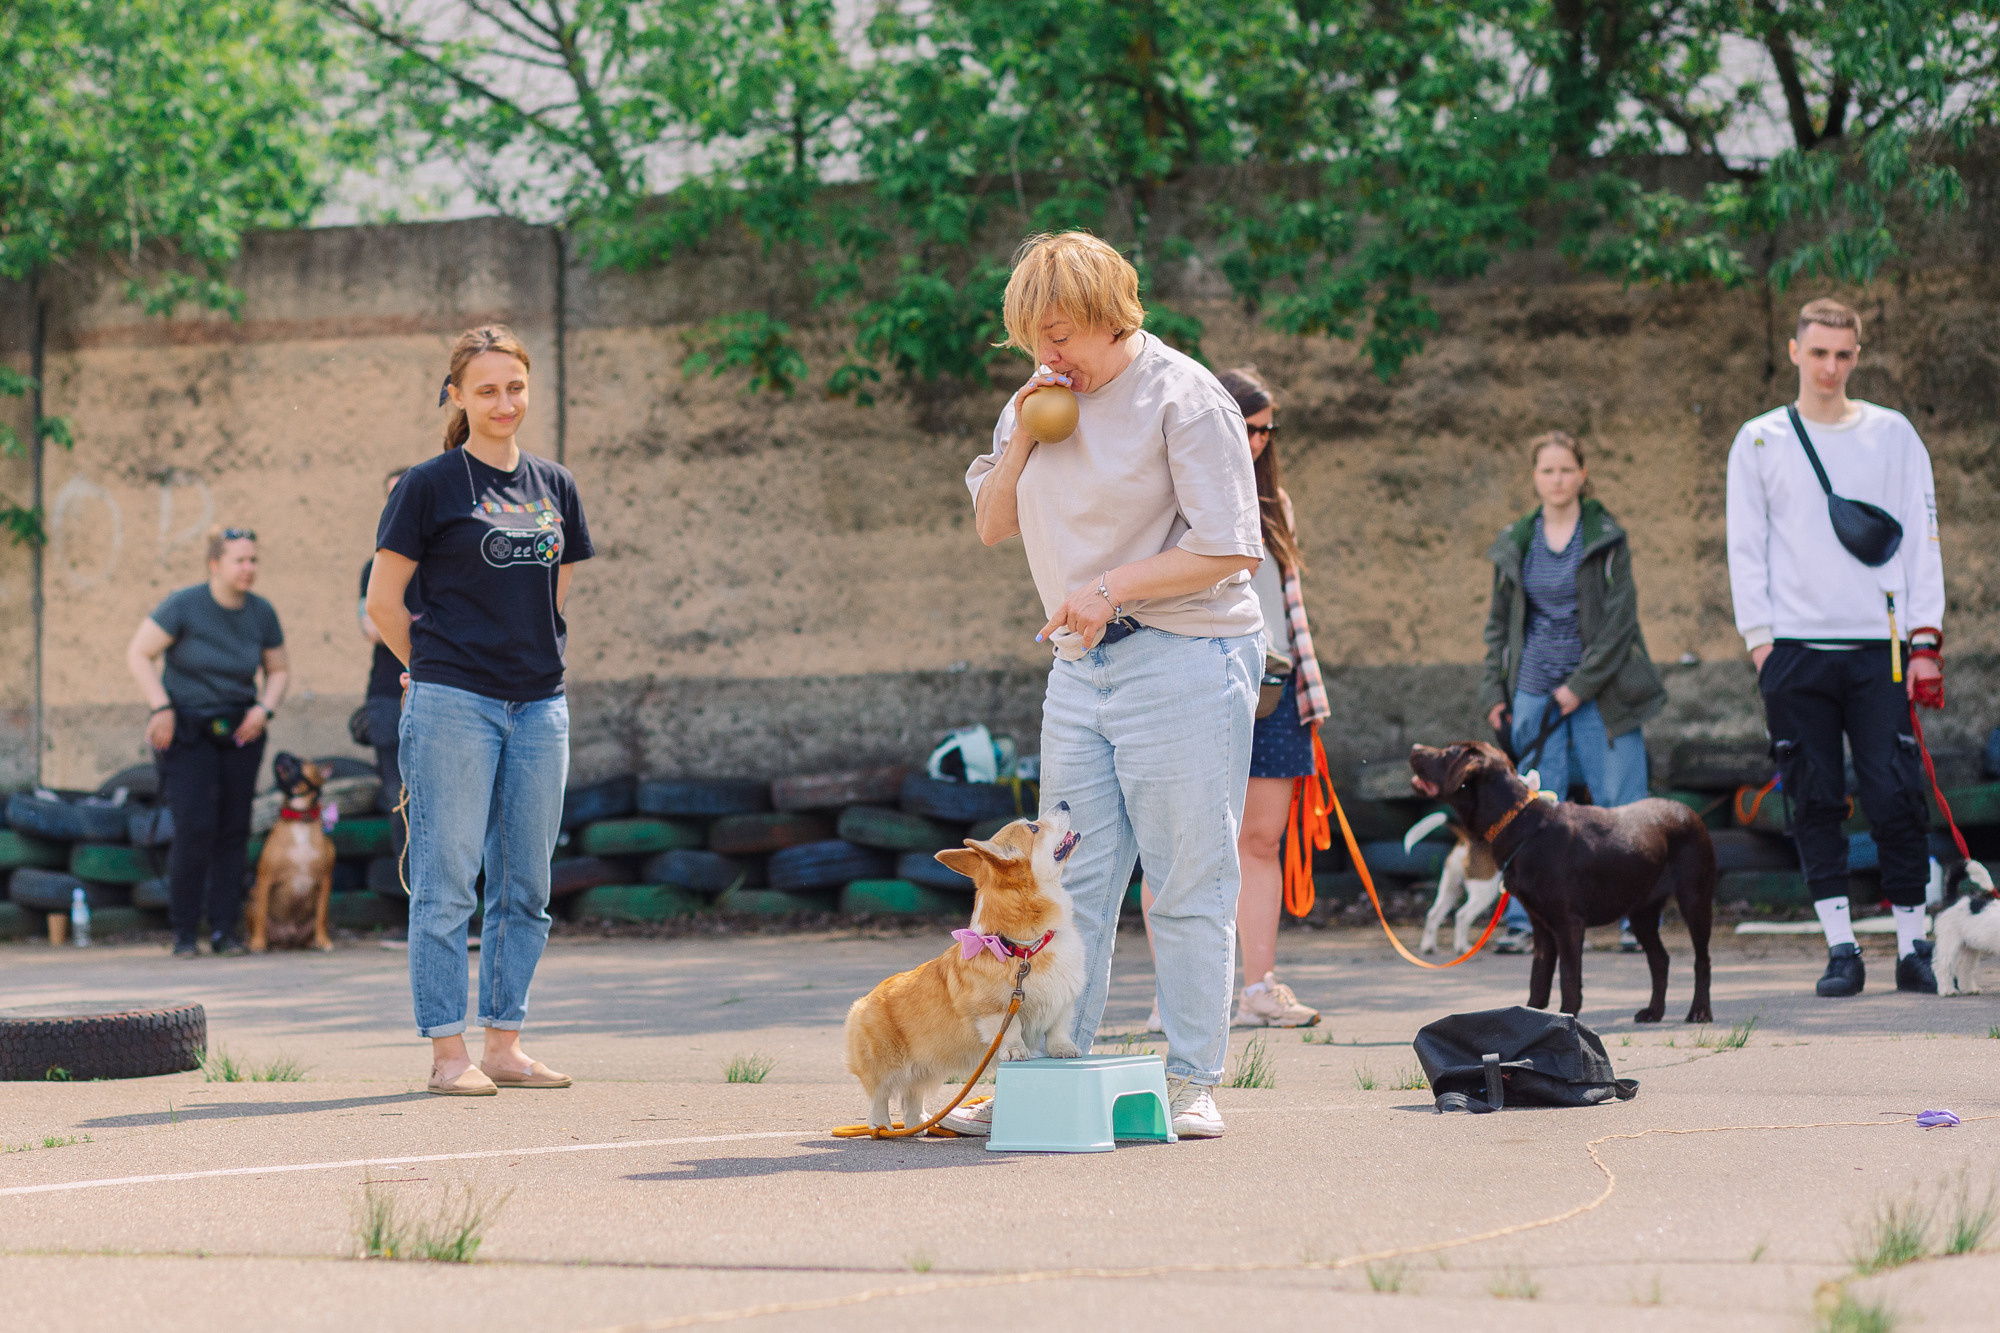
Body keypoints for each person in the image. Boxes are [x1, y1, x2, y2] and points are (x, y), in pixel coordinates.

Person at [954, 232, 1265, 1139]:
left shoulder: (1184, 396)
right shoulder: (1034, 401)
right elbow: (990, 526)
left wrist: (1109, 588)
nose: (1048, 355)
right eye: (1032, 340)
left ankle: (1192, 1080)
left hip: (1186, 657)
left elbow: (1231, 546)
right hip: (1078, 668)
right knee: (1062, 883)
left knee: (1186, 875)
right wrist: (1020, 433)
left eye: (1060, 335)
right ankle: (1043, 1080)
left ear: (1111, 315)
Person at [367, 324, 594, 1095]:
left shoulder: (556, 484)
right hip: (453, 705)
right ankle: (447, 1054)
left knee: (526, 886)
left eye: (515, 387)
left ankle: (504, 1044)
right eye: (487, 389)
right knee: (447, 885)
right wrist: (428, 670)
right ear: (457, 396)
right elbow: (383, 601)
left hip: (540, 707)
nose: (504, 402)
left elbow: (555, 594)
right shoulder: (428, 485)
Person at [1727, 298, 1945, 997]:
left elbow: (1922, 538)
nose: (1830, 366)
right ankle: (1841, 949)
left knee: (1895, 793)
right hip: (1794, 650)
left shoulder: (1893, 435)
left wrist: (1925, 639)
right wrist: (1762, 644)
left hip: (1880, 646)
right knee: (1813, 797)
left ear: (1857, 355)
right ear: (1795, 351)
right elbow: (1744, 548)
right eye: (1818, 352)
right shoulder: (1758, 440)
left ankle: (1913, 946)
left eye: (1842, 354)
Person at [1140, 367, 1327, 1029]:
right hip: (1193, 678)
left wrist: (1309, 687)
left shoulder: (1275, 502)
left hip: (1274, 683)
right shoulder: (1171, 492)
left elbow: (1286, 608)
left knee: (1262, 841)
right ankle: (1178, 997)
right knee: (1180, 843)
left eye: (1265, 430)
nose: (1255, 441)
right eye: (1244, 427)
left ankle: (1259, 988)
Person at [1480, 432, 1666, 953]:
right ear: (1535, 477)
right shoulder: (1517, 540)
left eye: (1566, 470)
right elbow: (1497, 625)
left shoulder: (1607, 537)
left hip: (1602, 692)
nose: (1557, 480)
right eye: (1547, 471)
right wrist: (1495, 692)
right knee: (1532, 810)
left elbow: (1621, 624)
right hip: (1533, 691)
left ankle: (1635, 922)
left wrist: (1580, 687)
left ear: (1582, 475)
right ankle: (1527, 923)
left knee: (1622, 807)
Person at [125, 526, 289, 958]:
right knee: (195, 827)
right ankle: (184, 933)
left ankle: (224, 932)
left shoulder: (262, 613)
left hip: (241, 729)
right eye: (239, 560)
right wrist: (161, 707)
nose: (248, 568)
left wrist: (263, 709)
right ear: (215, 564)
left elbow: (278, 670)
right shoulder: (184, 605)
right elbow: (139, 653)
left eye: (253, 560)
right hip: (186, 730)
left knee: (233, 830)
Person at [359, 467, 420, 875]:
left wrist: (401, 619)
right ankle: (410, 904)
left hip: (450, 693)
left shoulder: (449, 561)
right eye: (393, 497)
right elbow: (372, 628)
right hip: (388, 697)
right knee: (401, 805)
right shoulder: (376, 567)